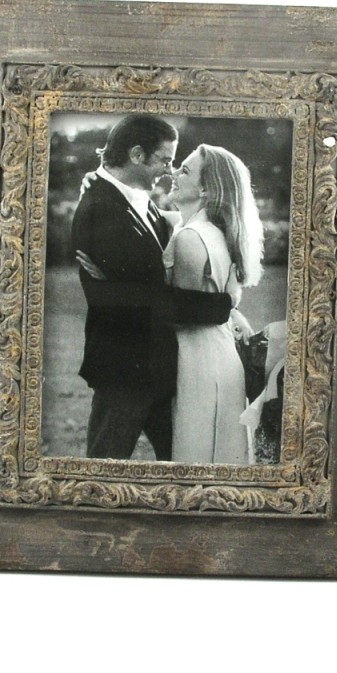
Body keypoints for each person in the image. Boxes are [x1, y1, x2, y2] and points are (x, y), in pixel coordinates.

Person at [71, 115, 233, 461]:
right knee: (104, 469)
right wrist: (220, 307)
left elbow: (171, 226)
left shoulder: (134, 200)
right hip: (123, 372)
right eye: (165, 160)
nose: (169, 170)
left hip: (157, 365)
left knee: (180, 463)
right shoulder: (102, 209)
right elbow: (139, 300)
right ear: (136, 155)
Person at [163, 144, 264, 464]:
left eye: (184, 171)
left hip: (196, 360)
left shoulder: (191, 238)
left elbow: (184, 312)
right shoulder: (216, 231)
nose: (173, 174)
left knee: (196, 454)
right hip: (221, 355)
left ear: (206, 189)